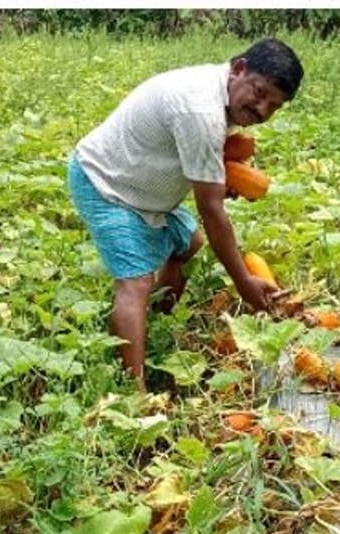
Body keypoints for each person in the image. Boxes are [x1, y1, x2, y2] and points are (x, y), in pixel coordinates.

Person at [67, 38, 304, 388]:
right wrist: (243, 282)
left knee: (188, 245)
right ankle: (135, 394)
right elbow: (211, 209)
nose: (262, 109)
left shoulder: (220, 93)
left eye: (275, 105)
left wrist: (224, 177)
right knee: (136, 283)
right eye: (259, 92)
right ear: (238, 68)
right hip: (107, 183)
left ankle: (157, 321)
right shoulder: (200, 110)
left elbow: (203, 169)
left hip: (145, 186)